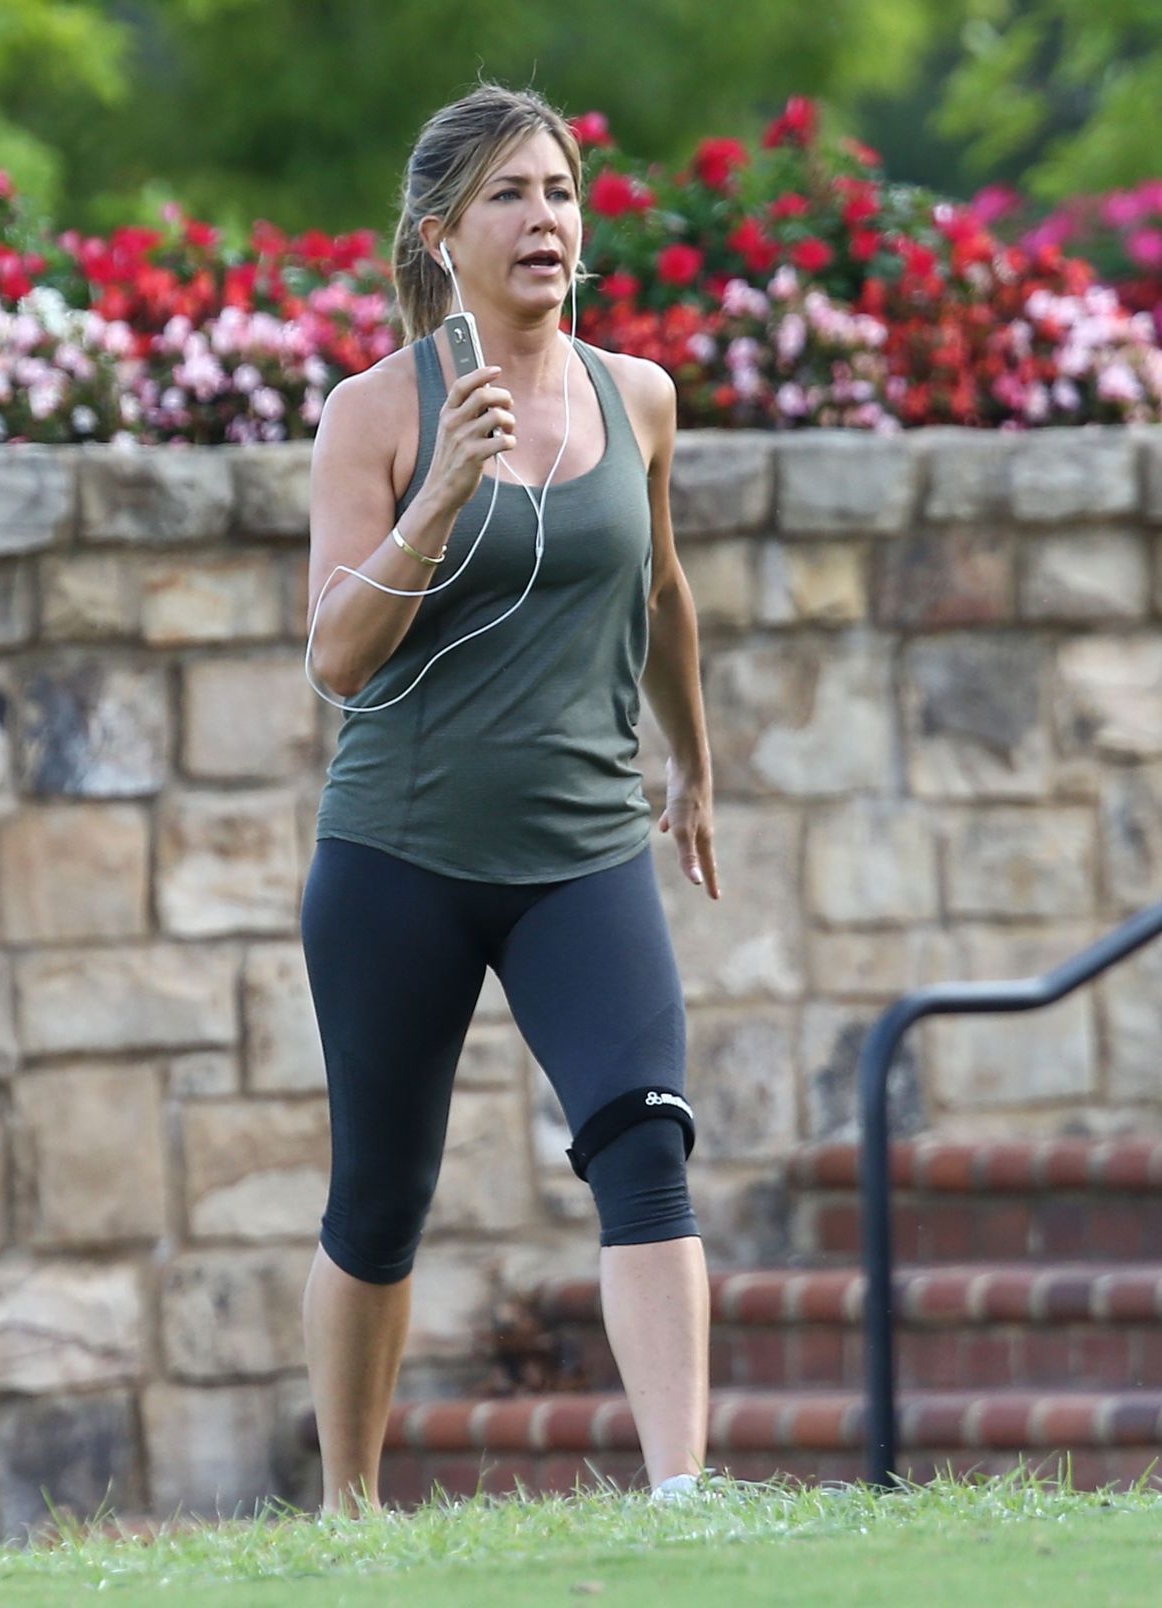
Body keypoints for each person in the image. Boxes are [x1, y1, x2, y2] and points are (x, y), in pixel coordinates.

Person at [299, 81, 722, 1518]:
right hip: (398, 860)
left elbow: (661, 588)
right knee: (380, 1201)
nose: (546, 221)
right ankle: (351, 1511)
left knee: (646, 1143)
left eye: (560, 194)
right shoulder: (374, 413)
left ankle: (682, 1495)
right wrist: (438, 495)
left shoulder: (638, 396)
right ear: (443, 236)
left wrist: (694, 761)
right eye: (510, 196)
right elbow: (335, 657)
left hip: (581, 857)